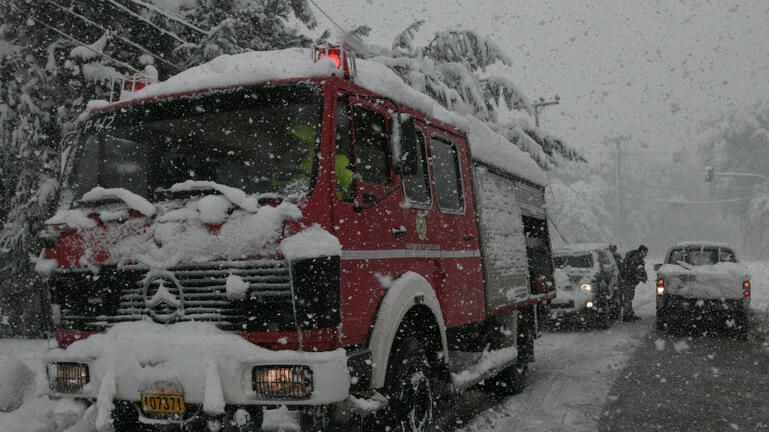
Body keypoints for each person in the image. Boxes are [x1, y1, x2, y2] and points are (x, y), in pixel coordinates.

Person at [621, 244, 648, 321]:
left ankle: (630, 313)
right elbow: (631, 271)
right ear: (641, 251)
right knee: (628, 297)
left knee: (629, 297)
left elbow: (640, 270)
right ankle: (626, 316)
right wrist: (639, 277)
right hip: (628, 280)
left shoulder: (637, 258)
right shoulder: (635, 259)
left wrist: (643, 277)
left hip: (630, 281)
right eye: (645, 253)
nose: (645, 255)